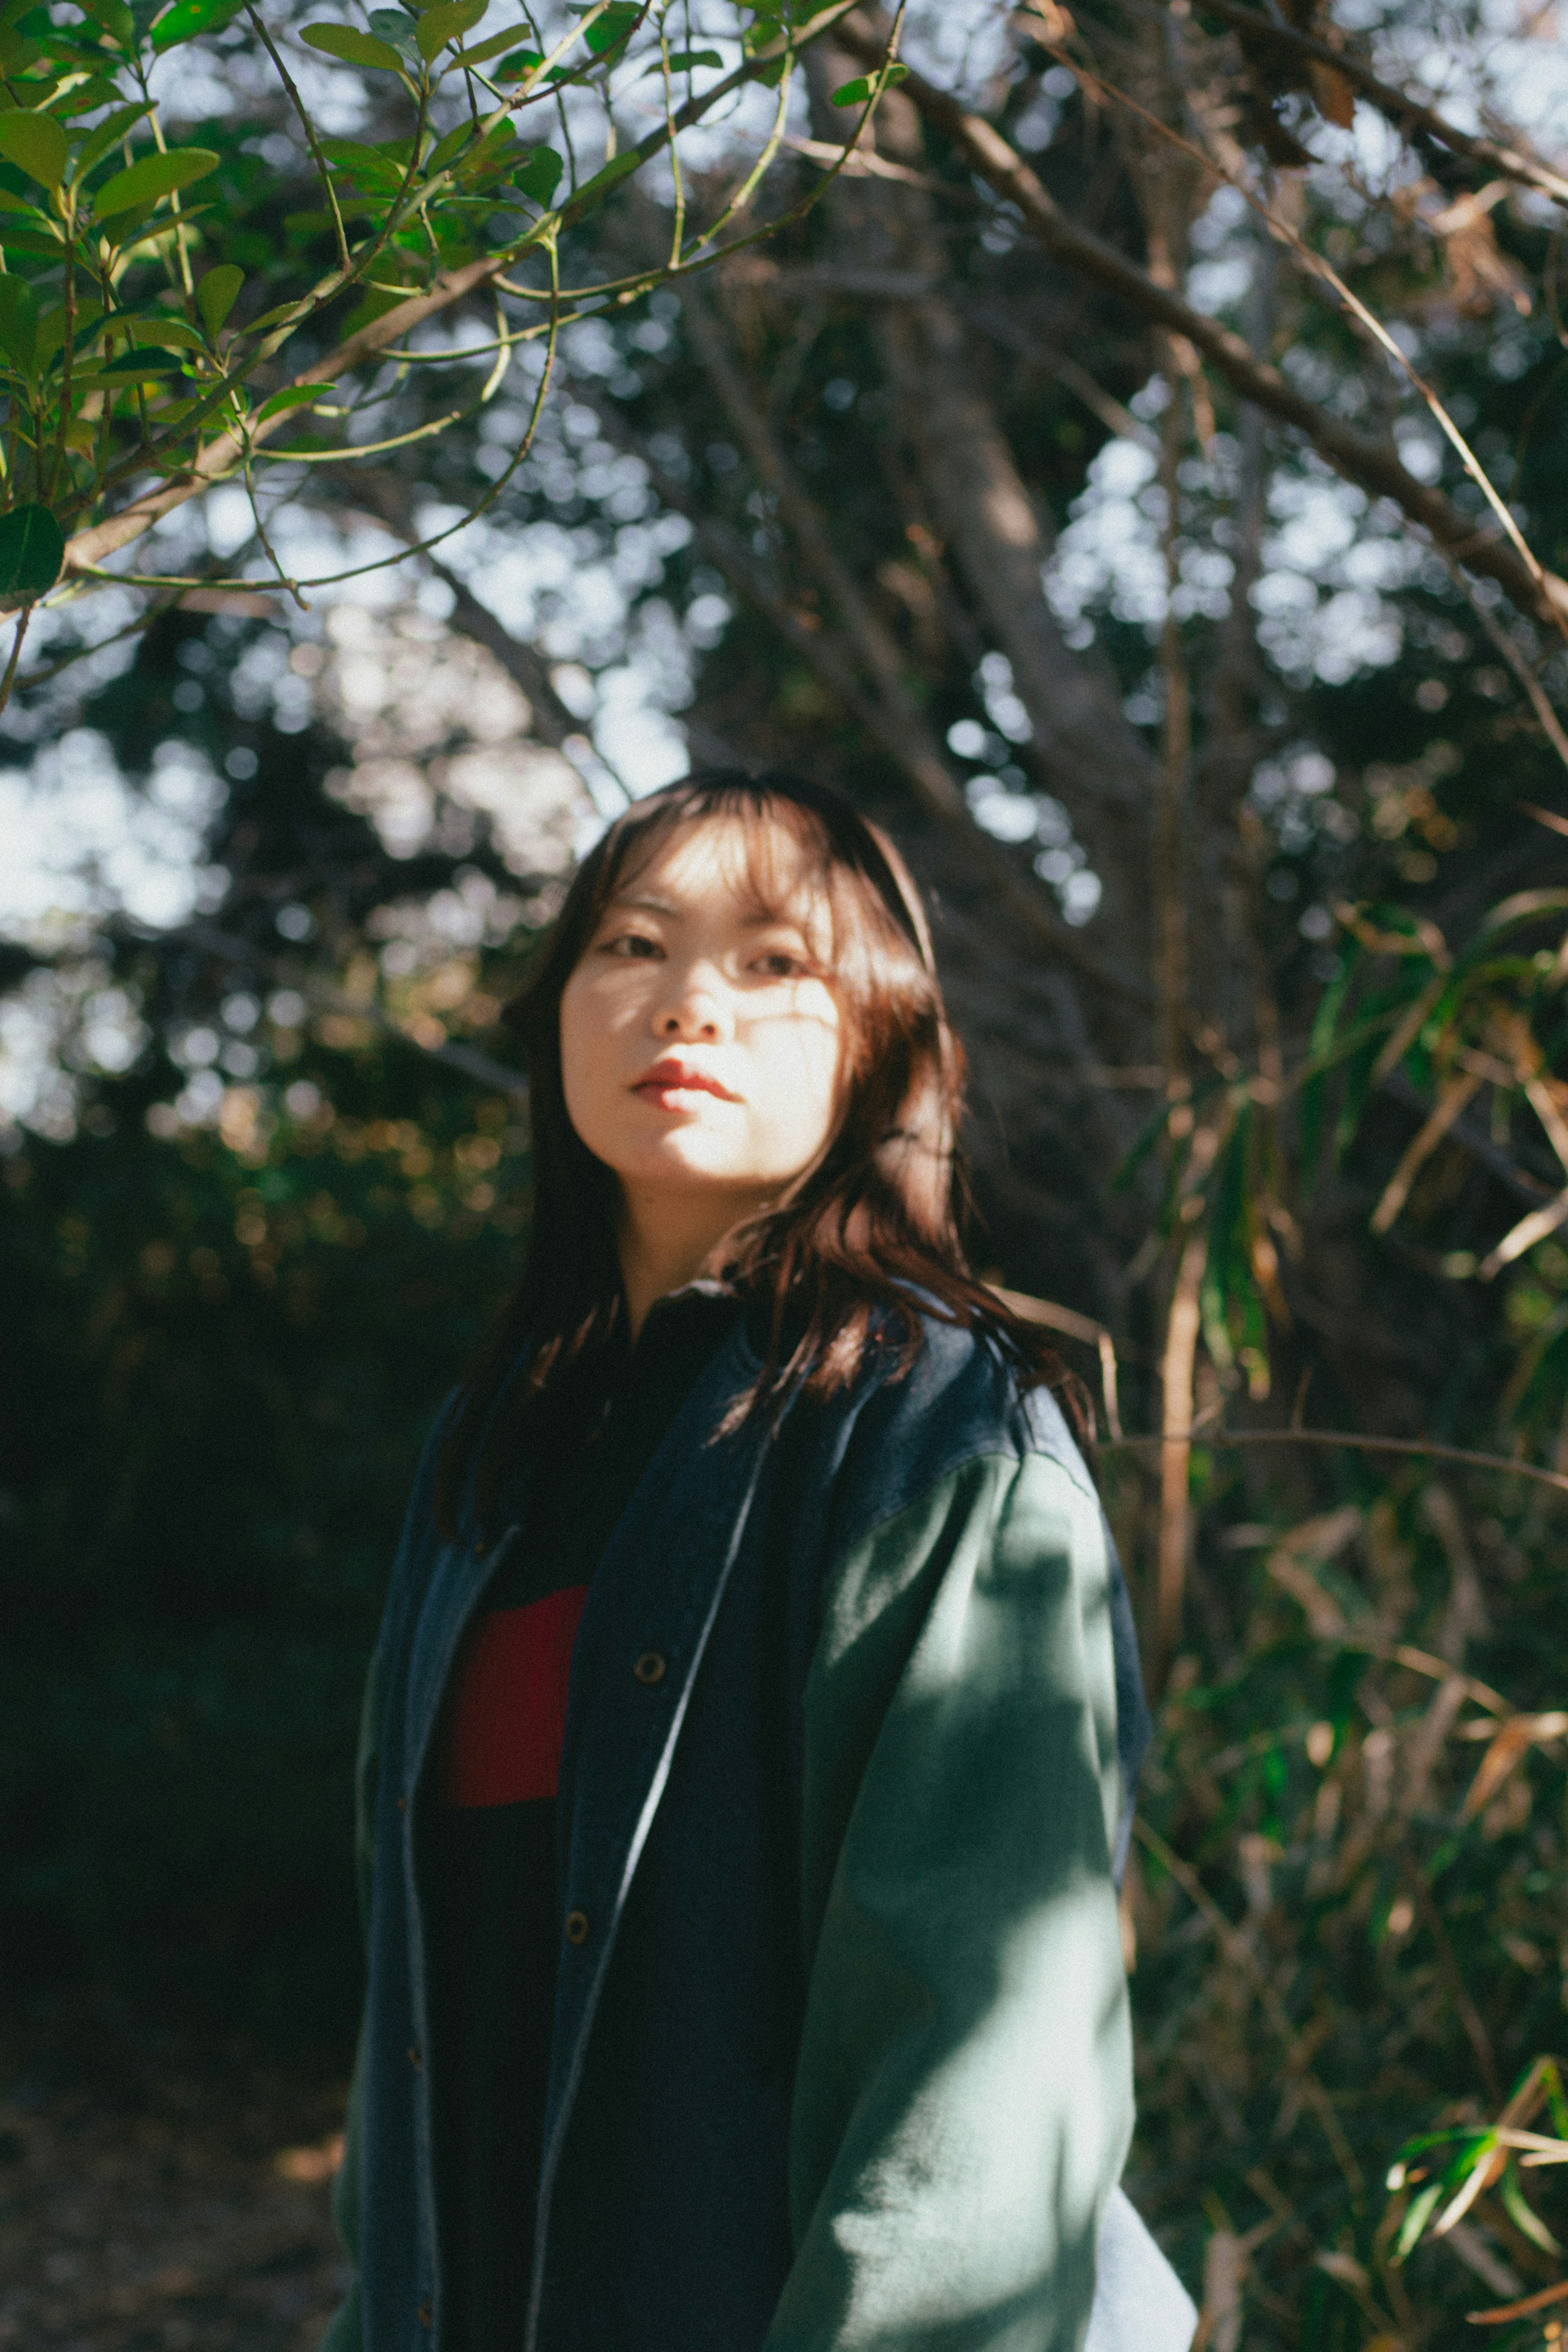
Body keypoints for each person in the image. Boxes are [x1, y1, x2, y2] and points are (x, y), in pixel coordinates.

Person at [321, 769, 1195, 2352]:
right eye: (631, 946)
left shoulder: (943, 1435)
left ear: (880, 1040)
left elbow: (978, 2078)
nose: (686, 1005)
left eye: (771, 962)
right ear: (560, 1013)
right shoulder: (493, 1462)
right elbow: (422, 2022)